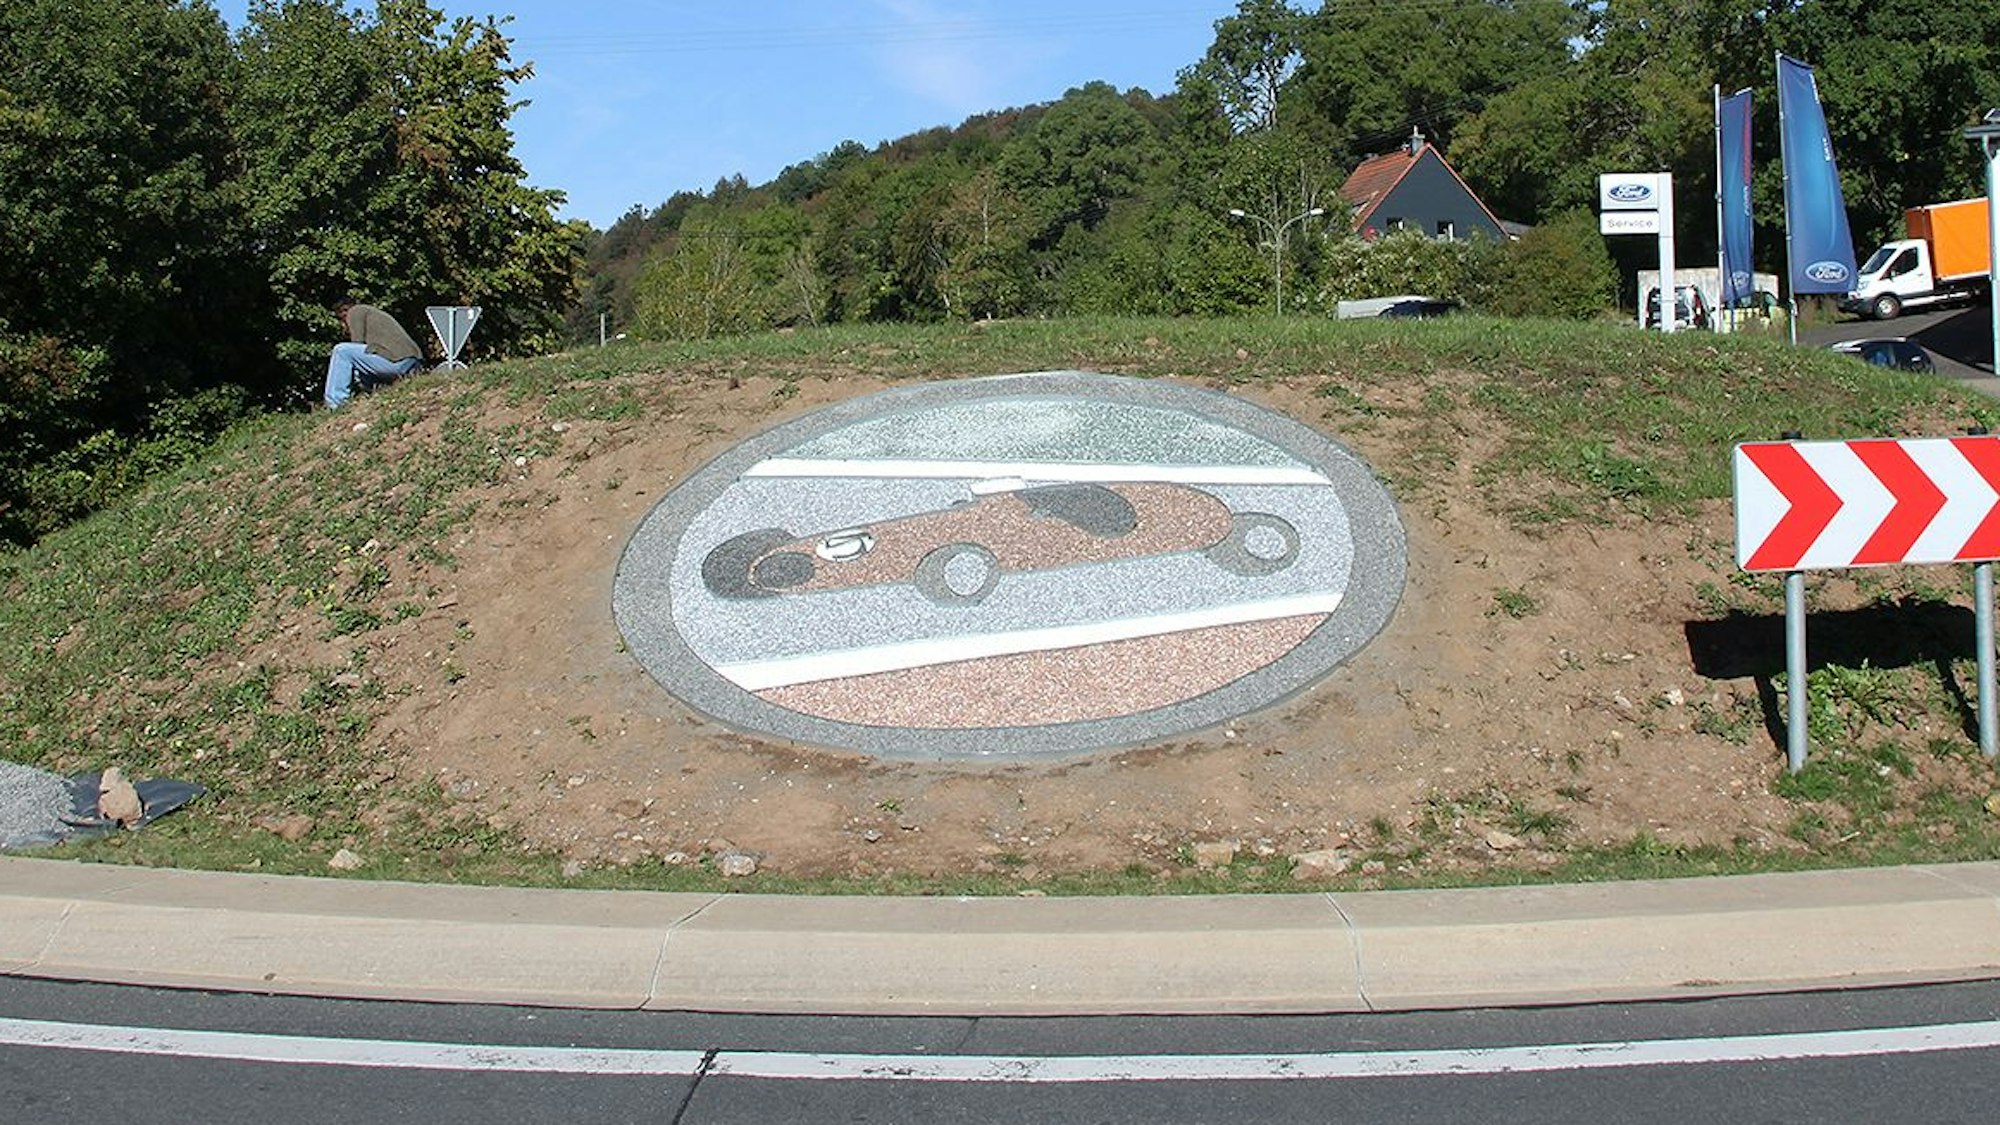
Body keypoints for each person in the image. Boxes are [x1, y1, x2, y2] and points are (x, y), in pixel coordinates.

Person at [324, 299, 423, 409]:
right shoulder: (373, 313)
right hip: (412, 362)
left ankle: (336, 404)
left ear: (344, 312)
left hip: (396, 361)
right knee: (362, 361)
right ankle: (375, 392)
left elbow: (357, 343)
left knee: (341, 350)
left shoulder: (355, 311)